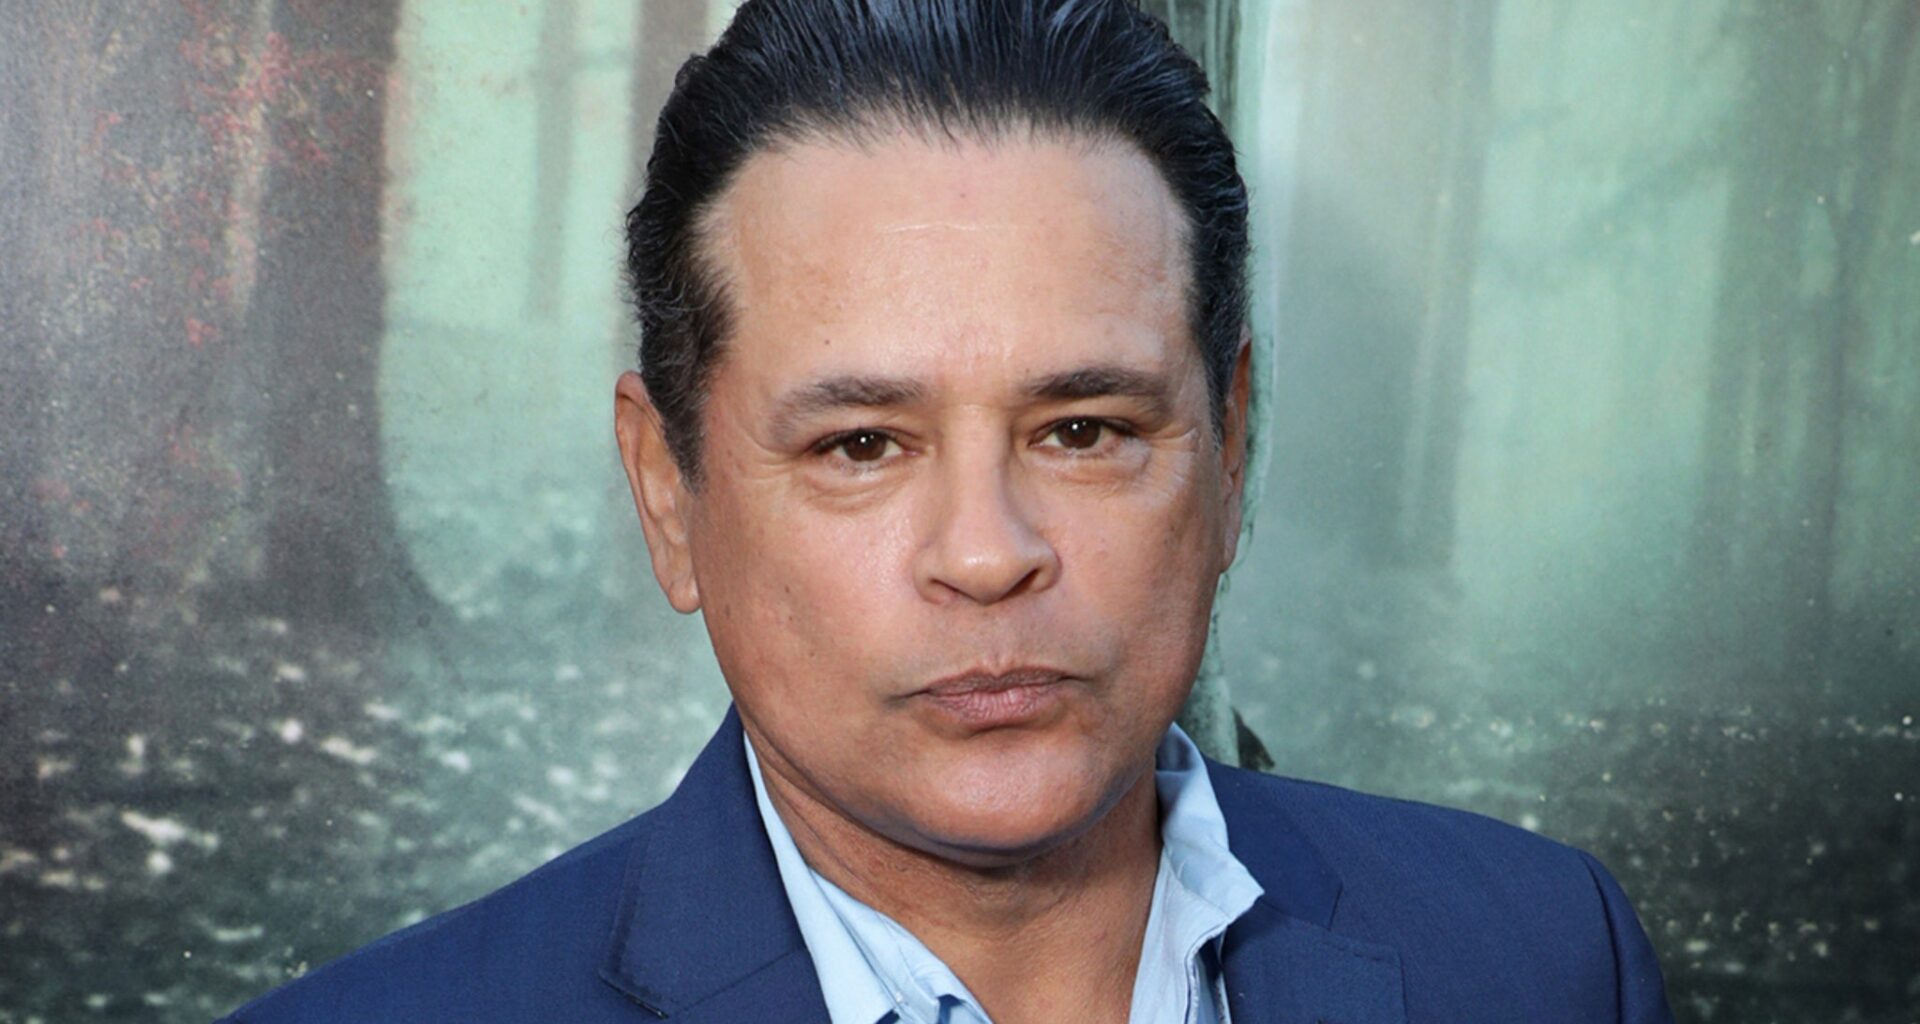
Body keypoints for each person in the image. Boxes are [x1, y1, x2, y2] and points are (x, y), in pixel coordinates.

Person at [220, 1, 1674, 1021]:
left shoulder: (1545, 962)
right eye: (861, 445)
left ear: (1231, 452)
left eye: (1085, 430)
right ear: (668, 493)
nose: (986, 554)